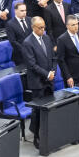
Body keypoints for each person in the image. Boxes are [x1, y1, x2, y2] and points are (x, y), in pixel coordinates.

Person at [23, 17, 56, 147]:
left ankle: (48, 132)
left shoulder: (47, 38)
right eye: (40, 28)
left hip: (49, 81)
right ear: (33, 27)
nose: (43, 30)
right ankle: (37, 136)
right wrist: (47, 74)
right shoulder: (28, 43)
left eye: (44, 27)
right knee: (37, 111)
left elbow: (53, 58)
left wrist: (52, 71)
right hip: (37, 83)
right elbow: (32, 65)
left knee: (49, 109)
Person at [57, 16, 79, 86]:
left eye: (77, 24)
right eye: (73, 25)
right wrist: (68, 76)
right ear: (67, 26)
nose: (76, 27)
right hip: (72, 76)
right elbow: (61, 60)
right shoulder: (62, 39)